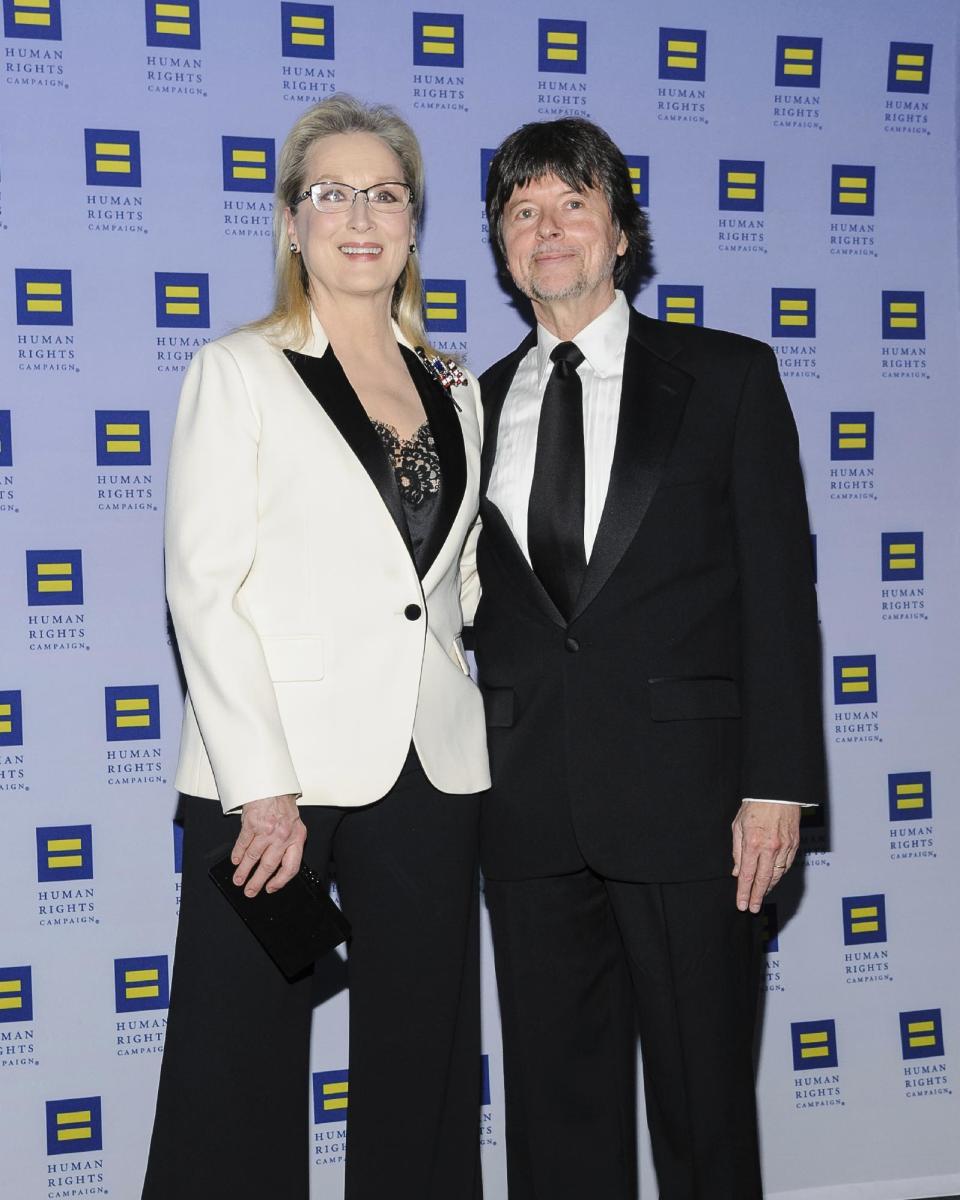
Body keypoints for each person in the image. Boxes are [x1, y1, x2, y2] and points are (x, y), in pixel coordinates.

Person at [141, 94, 489, 1200]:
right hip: (274, 773)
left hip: (429, 766)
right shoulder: (238, 370)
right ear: (292, 223)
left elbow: (453, 584)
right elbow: (203, 589)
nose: (358, 214)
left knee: (425, 1060)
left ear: (412, 225)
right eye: (329, 192)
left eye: (383, 193)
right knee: (231, 1064)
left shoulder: (458, 389)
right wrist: (262, 788)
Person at [473, 117, 826, 1199]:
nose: (549, 230)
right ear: (499, 245)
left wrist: (777, 787)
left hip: (694, 807)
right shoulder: (470, 406)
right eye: (522, 211)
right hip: (529, 807)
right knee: (556, 1111)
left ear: (621, 232)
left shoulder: (725, 377)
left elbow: (778, 592)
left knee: (704, 1111)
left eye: (573, 205)